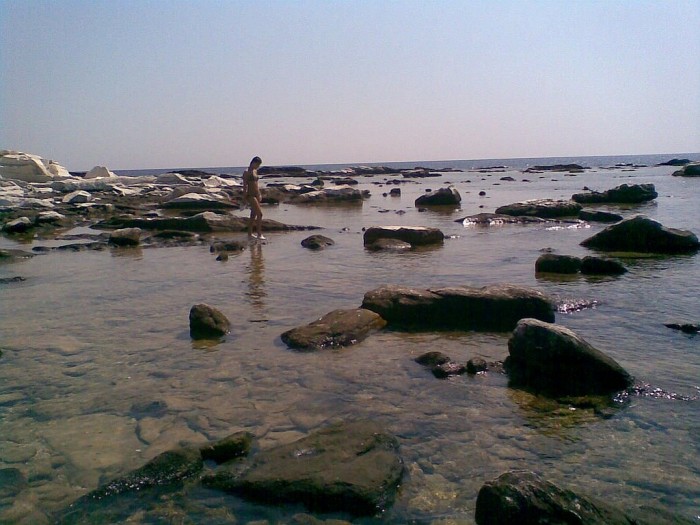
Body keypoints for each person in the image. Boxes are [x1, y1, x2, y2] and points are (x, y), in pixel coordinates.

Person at [242, 156, 264, 240]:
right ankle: (259, 234)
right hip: (250, 195)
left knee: (253, 215)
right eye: (257, 164)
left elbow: (256, 184)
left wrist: (260, 194)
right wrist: (244, 198)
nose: (258, 166)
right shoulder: (246, 172)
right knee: (260, 214)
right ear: (253, 162)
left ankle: (249, 234)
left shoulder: (255, 171)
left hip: (257, 194)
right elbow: (245, 186)